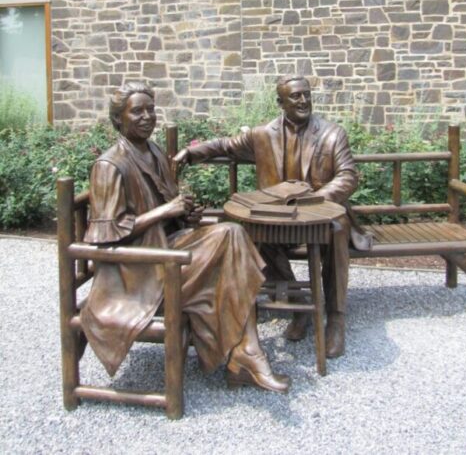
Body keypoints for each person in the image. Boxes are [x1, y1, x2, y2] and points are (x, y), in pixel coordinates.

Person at [80, 81, 289, 394]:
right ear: (118, 119)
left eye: (150, 109)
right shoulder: (110, 165)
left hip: (166, 246)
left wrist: (183, 215)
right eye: (137, 111)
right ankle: (246, 355)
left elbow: (168, 210)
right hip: (136, 272)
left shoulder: (153, 152)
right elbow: (106, 235)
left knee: (233, 233)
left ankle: (247, 352)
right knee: (231, 251)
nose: (147, 116)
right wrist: (165, 212)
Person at [175, 76, 370, 359]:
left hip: (320, 217)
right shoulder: (263, 135)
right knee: (253, 233)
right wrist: (191, 153)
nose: (303, 101)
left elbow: (347, 176)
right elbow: (225, 145)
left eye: (306, 95)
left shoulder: (332, 134)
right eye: (295, 97)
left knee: (338, 228)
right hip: (277, 218)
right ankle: (297, 305)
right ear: (280, 103)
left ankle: (336, 318)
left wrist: (315, 201)